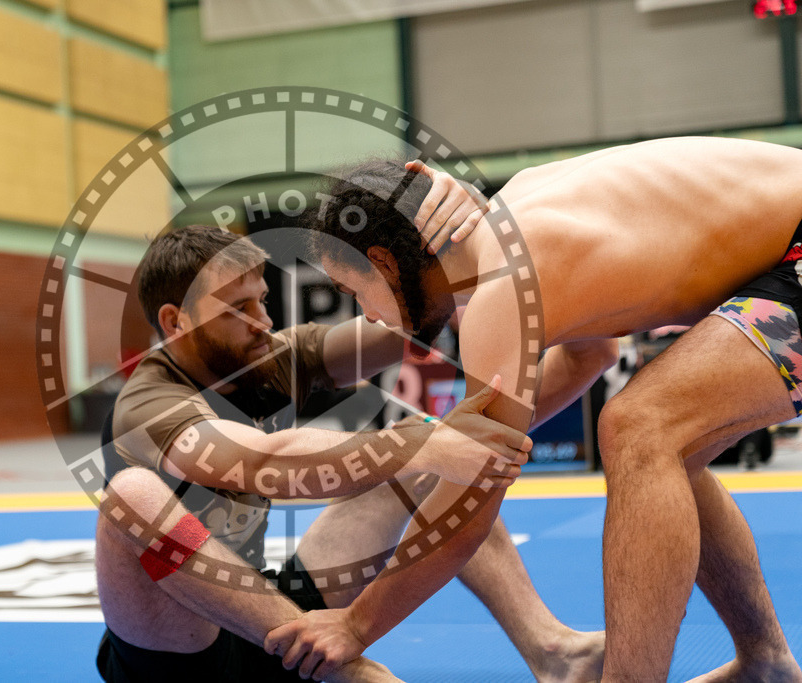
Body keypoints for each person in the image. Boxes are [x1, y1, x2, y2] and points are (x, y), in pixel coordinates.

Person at [265, 137, 802, 682]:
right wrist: (473, 445)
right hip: (786, 243)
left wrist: (357, 625)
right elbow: (592, 353)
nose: (368, 315)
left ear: (381, 261)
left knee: (641, 427)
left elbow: (466, 514)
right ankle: (766, 664)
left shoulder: (502, 286)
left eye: (352, 289)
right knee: (664, 442)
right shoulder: (510, 219)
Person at [96, 224, 604, 682]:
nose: (263, 321)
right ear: (175, 320)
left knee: (428, 448)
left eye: (262, 301)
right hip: (176, 657)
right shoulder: (148, 404)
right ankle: (346, 669)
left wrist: (488, 268)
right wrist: (417, 446)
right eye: (239, 308)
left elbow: (405, 326)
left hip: (266, 630)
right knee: (129, 496)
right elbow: (259, 462)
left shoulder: (269, 357)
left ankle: (554, 653)